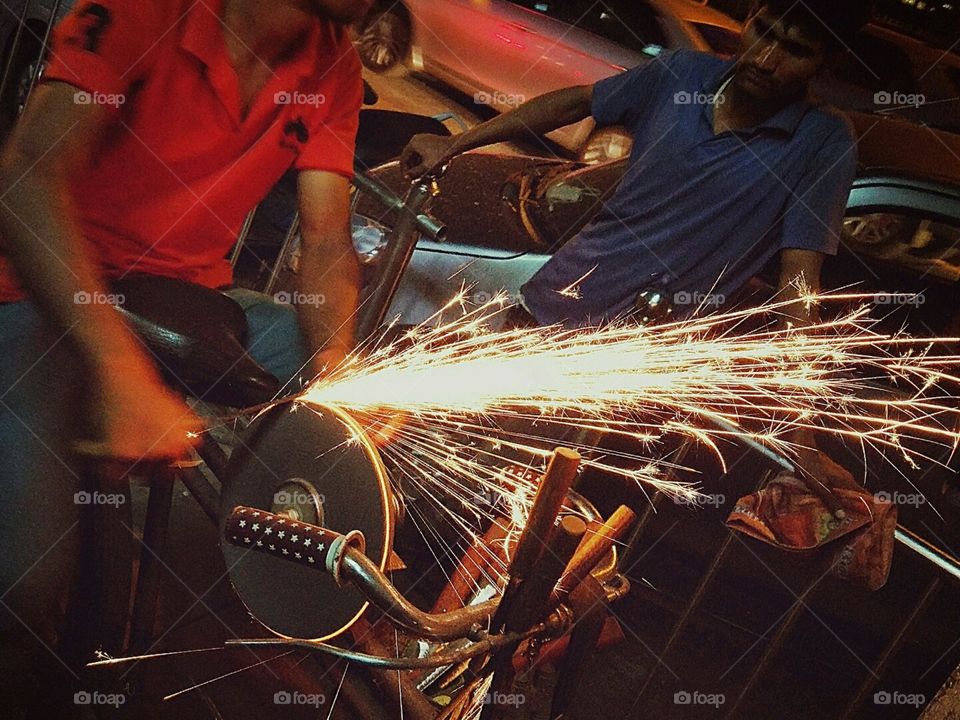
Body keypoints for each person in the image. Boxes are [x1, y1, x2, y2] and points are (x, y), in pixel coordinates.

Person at [0, 0, 371, 714]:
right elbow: (27, 178)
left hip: (188, 292)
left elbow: (325, 243)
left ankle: (310, 588)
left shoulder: (334, 62)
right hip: (50, 284)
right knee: (22, 581)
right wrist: (120, 375)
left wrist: (337, 365)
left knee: (344, 400)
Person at [403, 0, 872, 512]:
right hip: (547, 313)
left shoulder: (822, 141)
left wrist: (800, 428)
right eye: (763, 33)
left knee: (542, 513)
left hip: (630, 369)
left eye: (795, 51)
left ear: (827, 64)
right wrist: (458, 143)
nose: (765, 58)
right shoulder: (682, 73)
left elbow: (797, 285)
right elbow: (575, 103)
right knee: (452, 473)